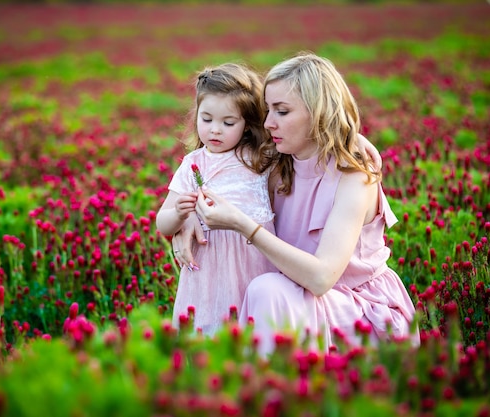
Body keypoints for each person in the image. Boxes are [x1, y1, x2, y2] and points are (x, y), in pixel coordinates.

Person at [176, 52, 419, 355]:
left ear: (319, 113)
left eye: (282, 111)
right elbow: (214, 176)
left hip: (358, 311)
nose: (268, 123)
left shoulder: (355, 178)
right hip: (294, 300)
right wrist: (187, 217)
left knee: (266, 289)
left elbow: (321, 279)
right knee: (253, 283)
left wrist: (243, 224)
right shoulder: (276, 165)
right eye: (267, 110)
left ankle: (275, 393)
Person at [155, 63, 278, 335]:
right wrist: (179, 214)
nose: (215, 130)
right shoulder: (193, 164)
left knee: (255, 336)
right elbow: (162, 224)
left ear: (247, 125)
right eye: (206, 119)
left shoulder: (261, 160)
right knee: (208, 339)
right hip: (207, 275)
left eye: (228, 122)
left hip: (253, 266)